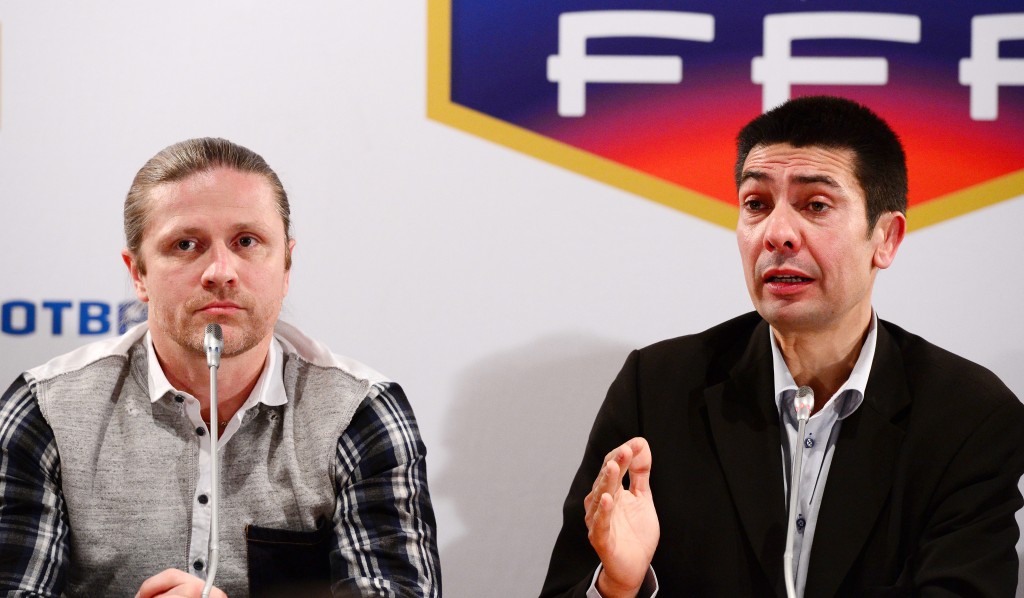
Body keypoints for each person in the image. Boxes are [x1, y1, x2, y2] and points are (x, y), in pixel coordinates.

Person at [539, 96, 1024, 597]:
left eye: (816, 205)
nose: (777, 233)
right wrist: (617, 585)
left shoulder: (968, 419)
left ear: (886, 238)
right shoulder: (656, 388)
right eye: (757, 204)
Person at [0, 138, 441, 597]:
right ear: (138, 274)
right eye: (186, 244)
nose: (220, 271)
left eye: (246, 241)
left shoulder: (359, 411)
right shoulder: (47, 409)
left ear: (286, 266)